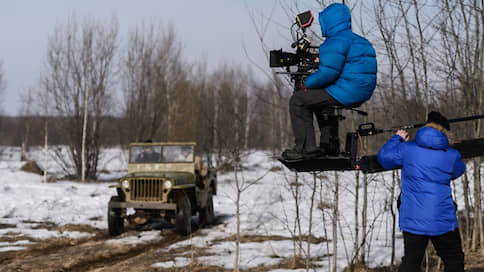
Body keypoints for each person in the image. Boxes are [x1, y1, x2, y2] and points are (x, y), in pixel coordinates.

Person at [282, 3, 377, 160]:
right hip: (363, 91)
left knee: (298, 100)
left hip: (348, 91)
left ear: (329, 22)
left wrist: (307, 84)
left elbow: (327, 73)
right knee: (319, 99)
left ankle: (305, 149)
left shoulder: (335, 41)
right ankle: (329, 146)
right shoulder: (361, 41)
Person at [377, 111, 466, 272]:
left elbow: (384, 158)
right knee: (454, 259)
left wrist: (397, 138)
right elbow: (459, 170)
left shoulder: (407, 149)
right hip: (442, 218)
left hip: (413, 218)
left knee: (411, 261)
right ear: (445, 132)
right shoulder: (451, 155)